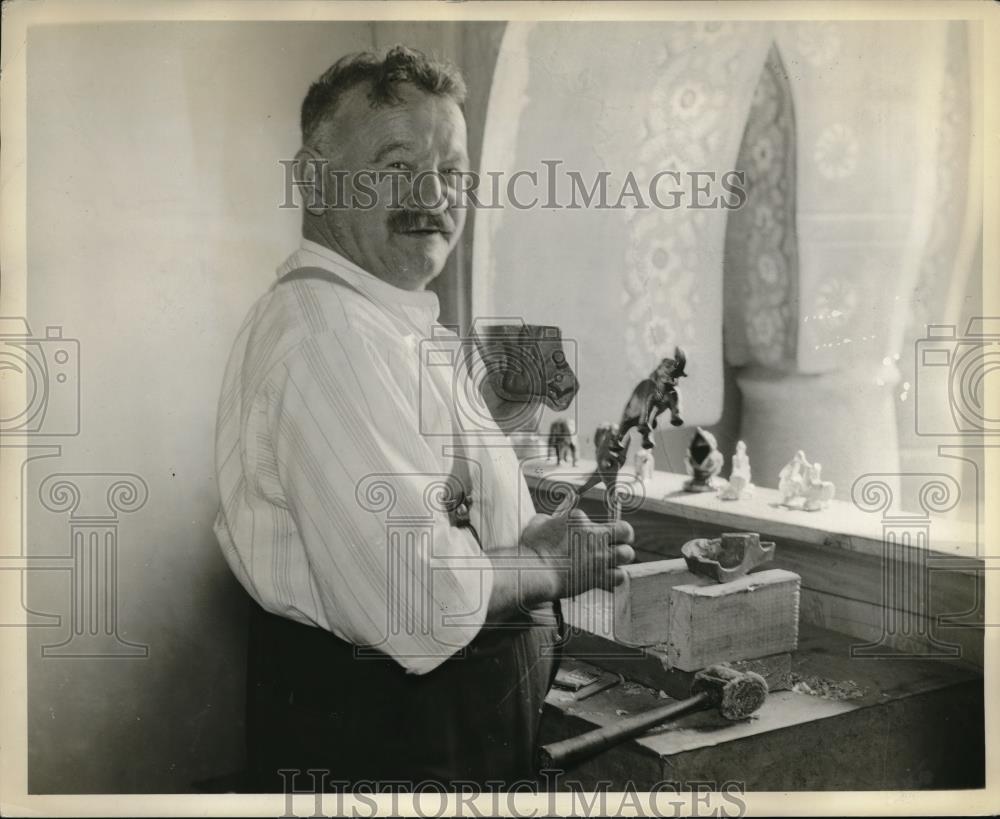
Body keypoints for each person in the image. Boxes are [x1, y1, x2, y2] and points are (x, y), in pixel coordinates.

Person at [212, 46, 635, 791]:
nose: (431, 195)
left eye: (452, 173)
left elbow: (445, 538)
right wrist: (543, 567)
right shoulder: (328, 339)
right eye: (395, 164)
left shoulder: (392, 326)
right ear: (314, 180)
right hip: (379, 753)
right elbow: (419, 604)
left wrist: (523, 538)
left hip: (452, 741)